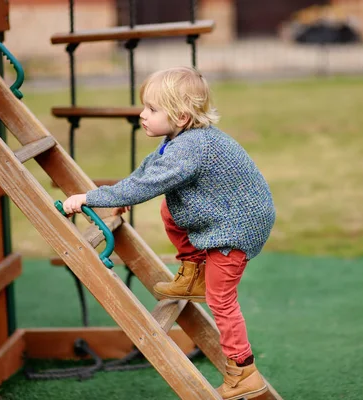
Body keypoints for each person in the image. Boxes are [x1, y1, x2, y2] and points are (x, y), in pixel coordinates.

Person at [61, 66, 276, 400]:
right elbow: (148, 170)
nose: (142, 115)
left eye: (151, 109)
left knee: (221, 299)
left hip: (238, 227)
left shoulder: (190, 148)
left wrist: (92, 198)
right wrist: (120, 196)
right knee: (170, 208)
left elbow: (148, 183)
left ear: (180, 115)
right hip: (227, 215)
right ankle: (192, 272)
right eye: (144, 106)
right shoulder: (177, 140)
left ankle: (244, 370)